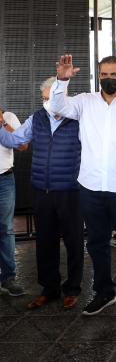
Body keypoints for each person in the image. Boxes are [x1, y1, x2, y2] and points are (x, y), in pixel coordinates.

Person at [50, 53, 116, 319]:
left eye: (114, 74)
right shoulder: (85, 101)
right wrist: (62, 80)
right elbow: (57, 106)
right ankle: (104, 292)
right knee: (97, 243)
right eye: (104, 74)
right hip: (90, 186)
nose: (109, 78)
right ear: (98, 76)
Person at [0, 77, 83, 310]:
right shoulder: (36, 118)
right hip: (42, 191)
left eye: (52, 98)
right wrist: (0, 123)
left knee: (74, 242)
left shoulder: (78, 119)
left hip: (70, 191)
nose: (48, 102)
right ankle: (49, 289)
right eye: (44, 98)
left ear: (63, 97)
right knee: (45, 243)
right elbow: (15, 140)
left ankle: (72, 289)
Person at [0, 108, 26, 297]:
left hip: (4, 180)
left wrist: (2, 122)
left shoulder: (9, 117)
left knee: (6, 228)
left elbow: (22, 145)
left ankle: (8, 278)